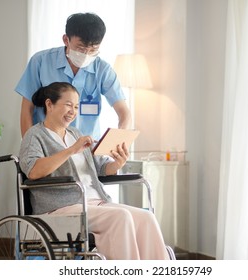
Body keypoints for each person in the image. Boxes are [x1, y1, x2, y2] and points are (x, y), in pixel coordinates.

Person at [19, 82, 169, 260]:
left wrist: (117, 163)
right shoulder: (35, 135)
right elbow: (34, 171)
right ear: (49, 104)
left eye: (76, 106)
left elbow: (100, 167)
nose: (73, 111)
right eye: (68, 105)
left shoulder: (75, 133)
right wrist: (71, 150)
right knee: (120, 217)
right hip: (61, 207)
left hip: (95, 202)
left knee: (146, 218)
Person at [15, 12, 131, 139]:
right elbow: (27, 110)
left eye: (93, 50)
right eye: (80, 48)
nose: (86, 55)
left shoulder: (103, 70)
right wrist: (30, 147)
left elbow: (124, 112)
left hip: (87, 150)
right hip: (48, 147)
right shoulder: (41, 62)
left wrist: (120, 138)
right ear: (66, 40)